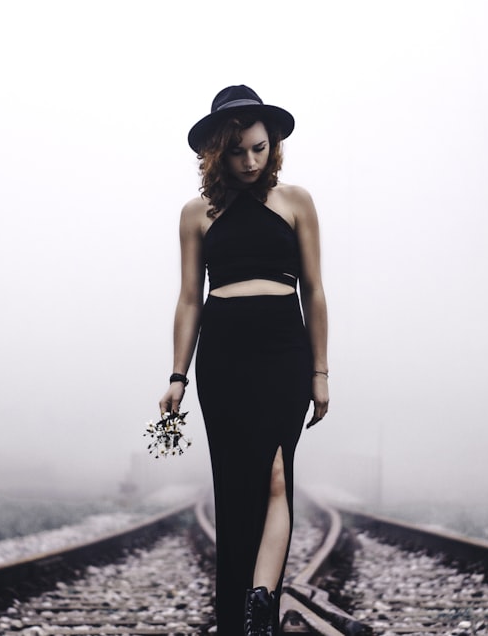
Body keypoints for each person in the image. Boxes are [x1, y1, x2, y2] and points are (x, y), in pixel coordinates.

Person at [159, 85, 329, 636]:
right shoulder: (196, 213)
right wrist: (177, 377)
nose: (251, 161)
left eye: (259, 148)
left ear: (271, 145)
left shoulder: (297, 202)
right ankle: (239, 614)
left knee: (279, 473)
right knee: (235, 488)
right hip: (225, 356)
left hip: (284, 351)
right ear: (217, 153)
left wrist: (320, 372)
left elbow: (315, 291)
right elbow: (189, 298)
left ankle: (261, 601)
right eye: (238, 152)